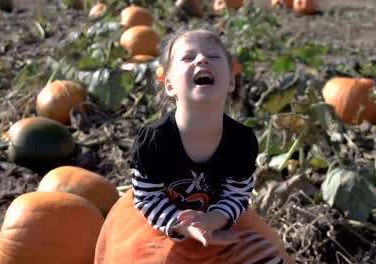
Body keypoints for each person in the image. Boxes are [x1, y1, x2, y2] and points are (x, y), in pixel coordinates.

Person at [94, 29, 293, 264]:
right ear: (169, 85)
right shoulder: (154, 140)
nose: (202, 59)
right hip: (161, 221)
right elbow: (148, 196)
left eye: (214, 56)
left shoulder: (240, 141)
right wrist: (183, 226)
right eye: (188, 58)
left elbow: (237, 194)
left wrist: (214, 220)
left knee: (264, 255)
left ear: (230, 82)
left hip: (220, 220)